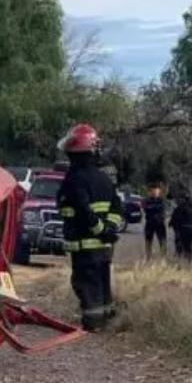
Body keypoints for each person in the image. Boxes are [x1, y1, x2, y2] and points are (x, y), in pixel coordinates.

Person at [56, 124, 123, 332]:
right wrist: (109, 229)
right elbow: (116, 206)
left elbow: (83, 211)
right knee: (103, 282)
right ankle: (108, 319)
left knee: (85, 283)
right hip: (103, 248)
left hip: (85, 247)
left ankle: (93, 323)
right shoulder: (104, 178)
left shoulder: (74, 179)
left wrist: (101, 230)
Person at [169, 190, 192, 263]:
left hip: (185, 228)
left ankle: (182, 260)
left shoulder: (180, 207)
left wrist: (171, 223)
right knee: (188, 245)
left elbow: (175, 218)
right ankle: (189, 260)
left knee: (181, 244)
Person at [142, 183, 167, 259]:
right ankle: (148, 257)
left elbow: (160, 208)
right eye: (151, 191)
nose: (153, 192)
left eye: (155, 190)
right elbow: (146, 208)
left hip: (159, 223)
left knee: (162, 240)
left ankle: (163, 257)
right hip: (150, 223)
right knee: (148, 241)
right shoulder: (146, 200)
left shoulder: (161, 200)